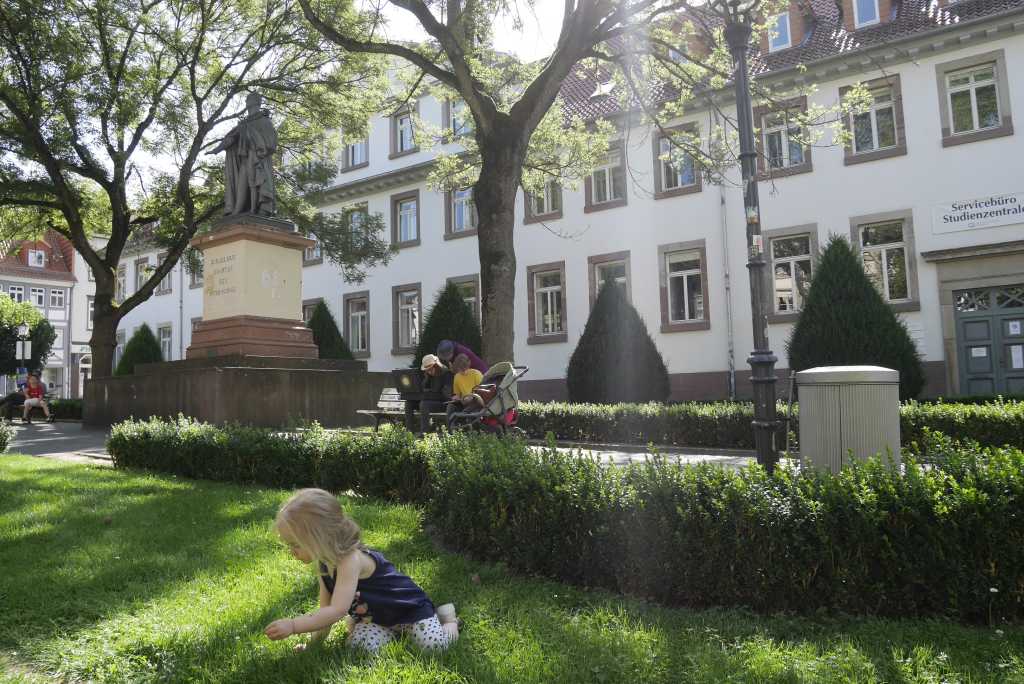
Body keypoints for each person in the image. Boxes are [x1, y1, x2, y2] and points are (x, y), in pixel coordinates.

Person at [264, 488, 459, 653]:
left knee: (434, 646)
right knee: (358, 647)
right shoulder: (324, 565)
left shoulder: (350, 560)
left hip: (410, 611)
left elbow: (337, 611)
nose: (292, 552)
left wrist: (293, 625)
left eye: (295, 544)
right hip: (378, 620)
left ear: (319, 537)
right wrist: (312, 646)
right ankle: (391, 633)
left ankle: (448, 620)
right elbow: (326, 612)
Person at [404, 354, 452, 435]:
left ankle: (424, 434)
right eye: (427, 370)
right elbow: (423, 390)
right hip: (429, 401)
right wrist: (426, 380)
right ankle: (409, 432)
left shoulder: (446, 374)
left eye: (430, 369)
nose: (429, 371)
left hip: (442, 403)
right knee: (408, 403)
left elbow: (446, 396)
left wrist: (428, 395)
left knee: (424, 404)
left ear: (436, 365)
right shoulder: (429, 375)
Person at [447, 353, 484, 425]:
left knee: (468, 410)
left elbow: (482, 391)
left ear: (468, 366)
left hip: (476, 402)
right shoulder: (457, 377)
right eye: (460, 370)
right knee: (450, 406)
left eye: (464, 369)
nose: (462, 372)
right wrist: (456, 398)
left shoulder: (476, 374)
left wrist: (471, 396)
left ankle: (465, 428)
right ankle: (450, 431)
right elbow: (457, 394)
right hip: (463, 402)